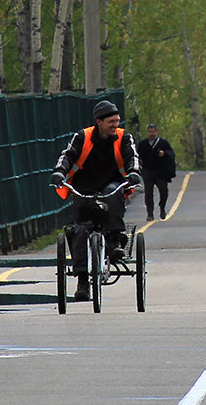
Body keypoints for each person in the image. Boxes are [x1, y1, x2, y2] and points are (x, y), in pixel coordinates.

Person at [50, 100, 141, 301]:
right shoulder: (82, 137)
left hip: (112, 183)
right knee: (81, 228)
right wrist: (59, 172)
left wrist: (134, 172)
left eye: (117, 121)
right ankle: (82, 280)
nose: (115, 125)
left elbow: (131, 157)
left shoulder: (123, 137)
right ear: (99, 122)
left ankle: (115, 241)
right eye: (111, 121)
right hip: (84, 186)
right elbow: (67, 156)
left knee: (113, 196)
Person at [136, 123, 176, 220]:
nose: (152, 134)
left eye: (153, 131)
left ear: (156, 132)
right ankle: (150, 213)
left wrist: (164, 153)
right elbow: (137, 155)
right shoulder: (143, 144)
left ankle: (162, 207)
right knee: (148, 192)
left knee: (163, 191)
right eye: (150, 132)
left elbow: (171, 154)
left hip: (160, 172)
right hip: (147, 171)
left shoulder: (163, 143)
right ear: (147, 132)